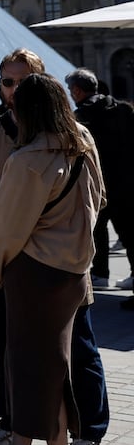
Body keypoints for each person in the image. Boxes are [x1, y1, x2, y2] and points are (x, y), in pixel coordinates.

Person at [0, 51, 111, 445]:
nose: (10, 91)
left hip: (27, 269)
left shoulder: (30, 155)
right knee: (38, 364)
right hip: (72, 266)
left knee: (45, 363)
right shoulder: (73, 141)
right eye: (5, 82)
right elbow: (97, 200)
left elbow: (8, 225)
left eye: (18, 84)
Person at [61, 68, 133, 290]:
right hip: (127, 182)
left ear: (77, 90)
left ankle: (100, 274)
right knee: (129, 231)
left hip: (98, 185)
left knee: (97, 231)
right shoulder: (124, 109)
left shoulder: (80, 117)